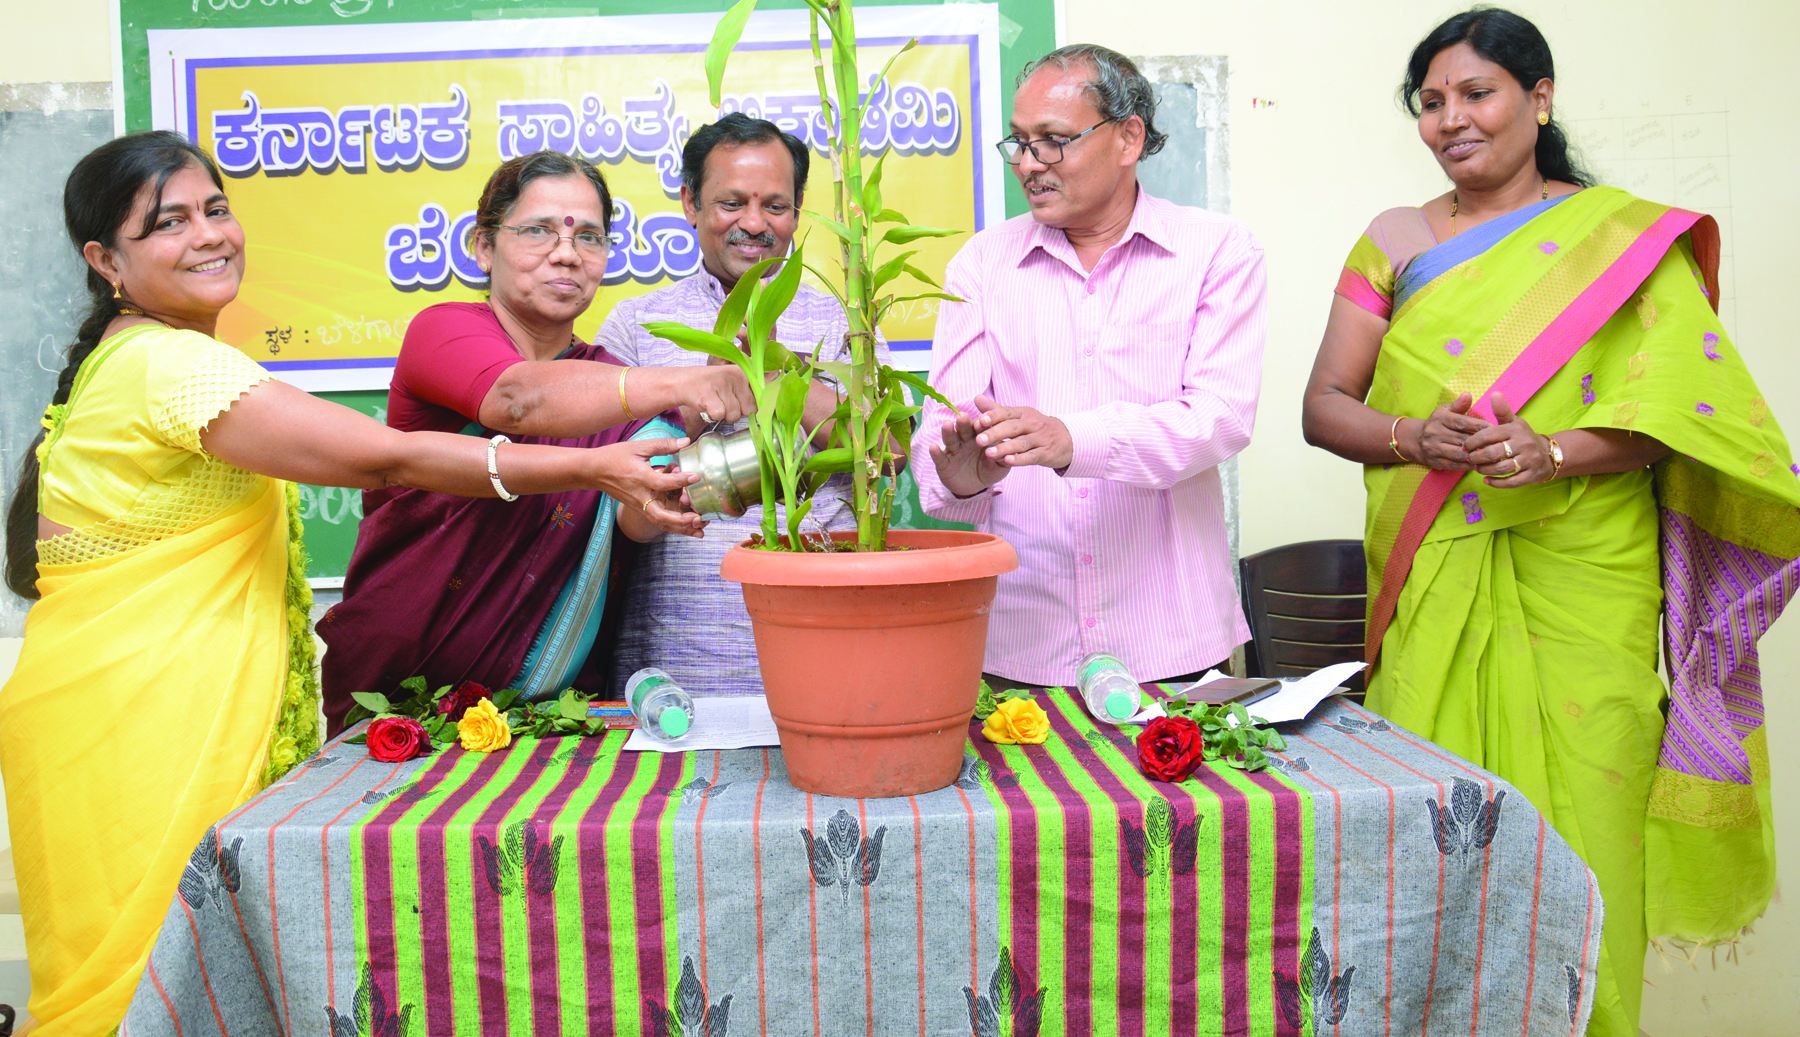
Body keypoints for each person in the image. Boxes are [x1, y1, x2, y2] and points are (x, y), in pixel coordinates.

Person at [0, 133, 696, 1037]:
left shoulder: (142, 358)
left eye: (216, 208)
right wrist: (601, 461)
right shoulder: (173, 365)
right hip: (144, 723)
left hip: (129, 708)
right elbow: (395, 457)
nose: (209, 234)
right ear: (106, 261)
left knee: (160, 975)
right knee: (148, 973)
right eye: (168, 221)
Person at [1299, 10, 1800, 1036]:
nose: (1451, 120)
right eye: (1430, 102)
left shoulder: (1620, 240)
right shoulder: (1392, 239)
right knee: (1433, 831)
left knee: (1587, 824)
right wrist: (1411, 435)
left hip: (1588, 571)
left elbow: (1678, 424)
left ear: (1540, 97)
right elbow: (1325, 407)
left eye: (1475, 93)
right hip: (1438, 566)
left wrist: (1553, 449)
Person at [318, 151, 758, 731]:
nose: (567, 253)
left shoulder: (609, 379)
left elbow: (637, 514)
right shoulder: (444, 333)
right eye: (538, 231)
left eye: (590, 237)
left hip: (544, 713)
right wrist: (684, 381)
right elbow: (518, 401)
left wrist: (679, 491)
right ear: (483, 245)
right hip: (398, 695)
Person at [912, 44, 1266, 688]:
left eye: (1052, 141)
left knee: (1192, 793)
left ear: (1128, 138)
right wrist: (960, 475)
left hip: (1171, 637)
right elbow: (943, 435)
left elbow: (1219, 418)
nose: (1028, 164)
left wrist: (1074, 440)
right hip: (1019, 640)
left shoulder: (1217, 250)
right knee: (1032, 793)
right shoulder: (982, 265)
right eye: (1018, 142)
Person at [595, 113, 896, 695]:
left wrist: (781, 370)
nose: (754, 224)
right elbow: (610, 504)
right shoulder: (634, 326)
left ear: (799, 209)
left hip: (827, 636)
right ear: (690, 203)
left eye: (776, 207)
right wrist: (689, 402)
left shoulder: (842, 320)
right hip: (678, 651)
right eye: (731, 202)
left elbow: (887, 451)